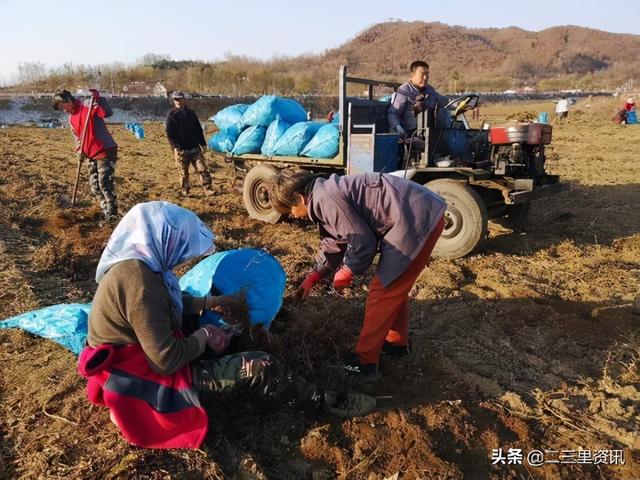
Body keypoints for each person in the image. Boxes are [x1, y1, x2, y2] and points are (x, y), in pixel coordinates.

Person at [79, 201, 374, 449]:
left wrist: (211, 303)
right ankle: (321, 401)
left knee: (215, 331)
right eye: (180, 245)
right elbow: (165, 359)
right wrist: (205, 335)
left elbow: (169, 303)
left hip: (140, 356)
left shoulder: (143, 264)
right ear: (162, 239)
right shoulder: (138, 281)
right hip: (140, 378)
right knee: (261, 366)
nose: (184, 255)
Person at [269, 169, 447, 379]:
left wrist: (348, 270)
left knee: (382, 291)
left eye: (289, 210)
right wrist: (316, 275)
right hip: (416, 214)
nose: (291, 216)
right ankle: (396, 343)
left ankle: (365, 363)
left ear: (299, 198)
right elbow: (335, 241)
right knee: (393, 286)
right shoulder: (323, 195)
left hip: (415, 219)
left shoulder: (324, 198)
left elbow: (362, 241)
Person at [53, 89, 118, 221]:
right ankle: (105, 209)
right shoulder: (71, 119)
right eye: (61, 109)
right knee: (95, 187)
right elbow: (78, 139)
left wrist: (98, 99)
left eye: (63, 107)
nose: (64, 111)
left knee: (104, 183)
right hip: (89, 154)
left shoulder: (88, 106)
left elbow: (107, 113)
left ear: (69, 101)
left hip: (105, 149)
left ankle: (112, 215)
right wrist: (79, 151)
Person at [165, 91, 215, 197]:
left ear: (184, 99)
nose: (177, 101)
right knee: (183, 173)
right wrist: (174, 148)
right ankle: (185, 191)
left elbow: (198, 129)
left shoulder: (191, 113)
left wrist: (203, 144)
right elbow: (170, 134)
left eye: (179, 99)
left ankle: (208, 189)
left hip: (195, 147)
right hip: (181, 149)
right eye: (175, 100)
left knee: (202, 169)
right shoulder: (172, 115)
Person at [387, 60, 449, 136]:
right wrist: (399, 128)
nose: (425, 77)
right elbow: (393, 114)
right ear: (412, 75)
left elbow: (445, 101)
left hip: (430, 134)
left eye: (427, 74)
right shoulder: (404, 91)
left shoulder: (430, 90)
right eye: (422, 74)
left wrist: (460, 104)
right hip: (409, 135)